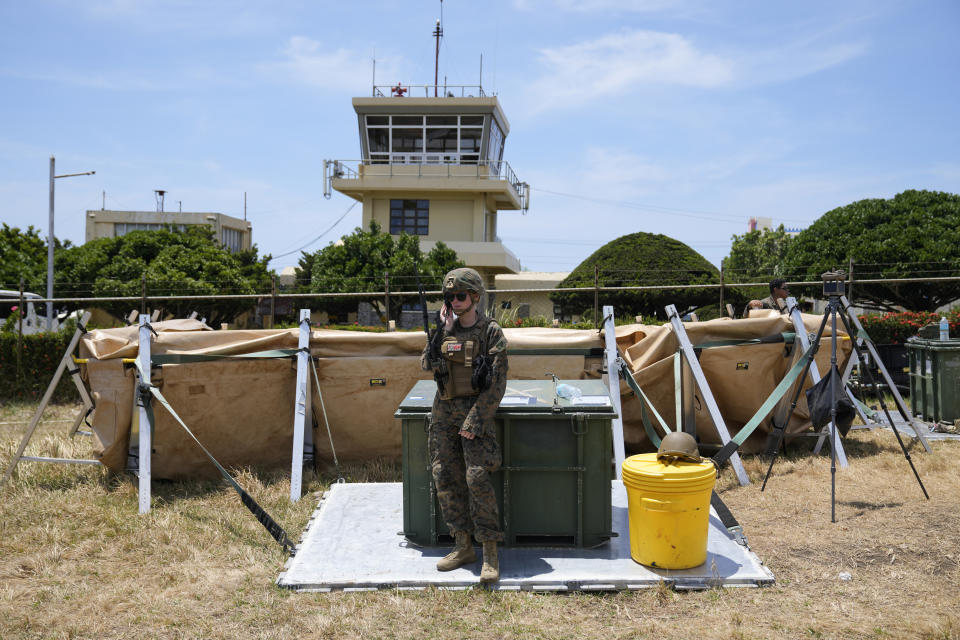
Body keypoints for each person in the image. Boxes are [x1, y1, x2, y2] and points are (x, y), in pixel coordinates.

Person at [420, 267, 508, 583]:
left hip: (475, 413)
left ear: (474, 297)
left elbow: (497, 384)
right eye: (450, 297)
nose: (455, 302)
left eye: (460, 296)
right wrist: (442, 330)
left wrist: (475, 419)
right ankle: (462, 546)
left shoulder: (490, 333)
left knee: (477, 479)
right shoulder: (444, 331)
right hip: (444, 412)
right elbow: (427, 363)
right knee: (444, 474)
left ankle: (490, 554)